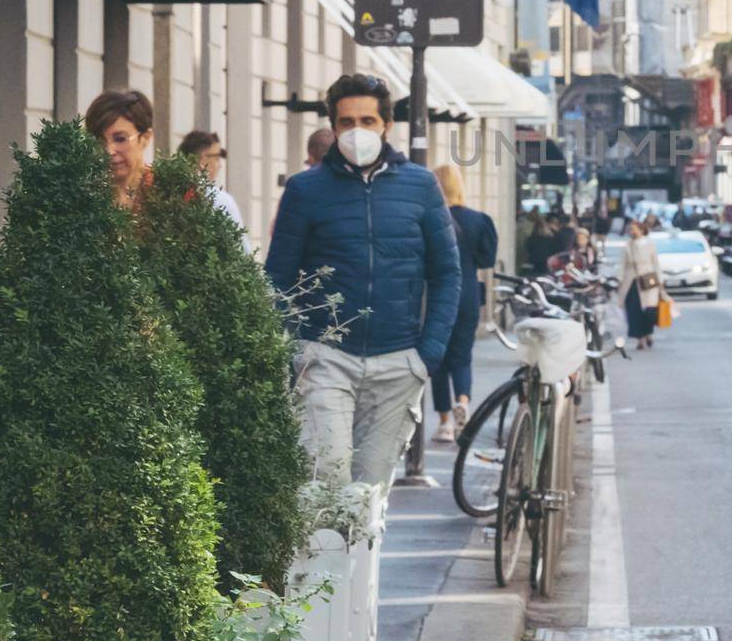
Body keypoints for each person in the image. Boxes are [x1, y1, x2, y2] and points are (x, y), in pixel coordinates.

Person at [266, 73, 461, 489]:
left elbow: (447, 273)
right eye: (346, 122)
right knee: (326, 490)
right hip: (325, 359)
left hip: (398, 363)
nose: (357, 131)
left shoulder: (421, 186)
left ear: (386, 125)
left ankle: (363, 558)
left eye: (368, 121)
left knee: (370, 497)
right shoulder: (305, 190)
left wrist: (427, 355)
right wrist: (294, 349)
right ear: (333, 127)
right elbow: (278, 278)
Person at [428, 165, 498, 444]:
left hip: (435, 293)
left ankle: (445, 421)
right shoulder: (478, 220)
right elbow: (487, 260)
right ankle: (463, 400)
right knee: (462, 354)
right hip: (467, 292)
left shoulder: (431, 218)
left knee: (438, 358)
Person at [179, 129, 252, 253]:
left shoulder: (166, 193)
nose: (219, 165)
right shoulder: (220, 200)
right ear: (202, 159)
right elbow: (241, 248)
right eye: (217, 158)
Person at [85, 90, 155, 210]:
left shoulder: (172, 192)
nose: (109, 151)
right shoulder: (82, 197)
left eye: (120, 139)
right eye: (100, 142)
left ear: (145, 138)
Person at [618, 219, 666, 350]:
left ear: (641, 229)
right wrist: (619, 280)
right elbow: (622, 264)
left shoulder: (650, 244)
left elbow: (655, 263)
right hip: (631, 281)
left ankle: (648, 333)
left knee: (649, 311)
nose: (631, 231)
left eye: (633, 228)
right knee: (634, 310)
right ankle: (640, 339)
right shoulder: (628, 245)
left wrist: (660, 281)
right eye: (630, 229)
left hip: (648, 280)